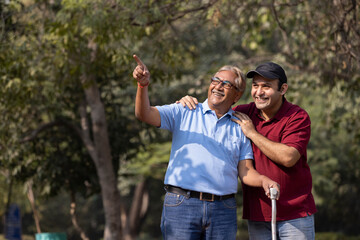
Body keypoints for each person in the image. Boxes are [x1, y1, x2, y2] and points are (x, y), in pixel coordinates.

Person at [132, 55, 280, 240]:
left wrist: (264, 180)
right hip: (181, 205)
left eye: (226, 84)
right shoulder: (184, 110)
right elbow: (143, 113)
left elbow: (246, 171)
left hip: (222, 210)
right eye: (215, 81)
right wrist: (142, 86)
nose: (218, 86)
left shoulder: (241, 126)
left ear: (237, 95)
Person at [179, 62, 317, 240]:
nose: (258, 92)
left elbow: (288, 157)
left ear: (282, 89)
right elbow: (212, 112)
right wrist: (187, 102)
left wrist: (252, 133)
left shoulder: (297, 116)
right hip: (257, 214)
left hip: (295, 214)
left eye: (266, 87)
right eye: (255, 86)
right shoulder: (241, 113)